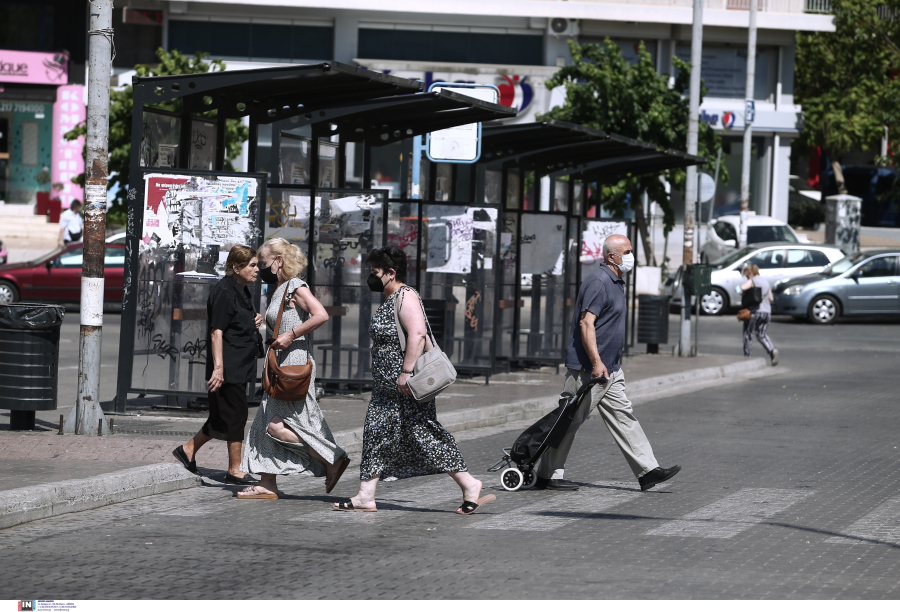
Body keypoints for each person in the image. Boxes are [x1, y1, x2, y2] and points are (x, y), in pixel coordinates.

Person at [332, 245, 494, 514]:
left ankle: (469, 484)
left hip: (404, 387)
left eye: (375, 272)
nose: (371, 277)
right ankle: (366, 495)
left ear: (391, 272)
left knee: (426, 435)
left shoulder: (406, 296)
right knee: (376, 435)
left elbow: (418, 335)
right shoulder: (392, 297)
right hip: (388, 390)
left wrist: (405, 374)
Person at [536, 234, 682, 492]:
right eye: (626, 252)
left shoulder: (616, 281)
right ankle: (546, 475)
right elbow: (586, 323)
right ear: (611, 256)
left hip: (610, 368)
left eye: (630, 251)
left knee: (623, 416)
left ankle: (648, 471)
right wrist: (596, 363)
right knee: (568, 421)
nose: (630, 256)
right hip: (590, 370)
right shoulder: (600, 282)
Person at [237, 237, 350, 499]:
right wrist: (263, 324)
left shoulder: (295, 286)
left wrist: (291, 335)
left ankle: (331, 457)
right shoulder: (278, 289)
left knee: (276, 425)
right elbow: (283, 323)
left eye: (263, 262)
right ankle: (268, 484)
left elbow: (320, 314)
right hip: (281, 363)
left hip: (294, 364)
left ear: (278, 261)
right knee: (267, 423)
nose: (261, 268)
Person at [172, 245, 263, 485]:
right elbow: (216, 332)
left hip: (242, 363)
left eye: (257, 265)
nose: (257, 270)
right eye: (252, 265)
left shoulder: (242, 290)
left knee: (222, 417)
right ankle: (234, 470)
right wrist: (219, 368)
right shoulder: (224, 291)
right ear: (236, 267)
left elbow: (238, 321)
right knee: (236, 415)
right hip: (229, 364)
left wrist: (256, 319)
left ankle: (188, 449)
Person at [739, 264, 779, 366]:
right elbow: (771, 299)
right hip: (766, 313)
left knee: (748, 335)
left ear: (751, 273)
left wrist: (740, 291)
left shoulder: (753, 281)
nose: (747, 277)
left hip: (754, 312)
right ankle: (772, 350)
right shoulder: (766, 282)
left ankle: (747, 357)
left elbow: (741, 288)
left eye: (747, 275)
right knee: (762, 334)